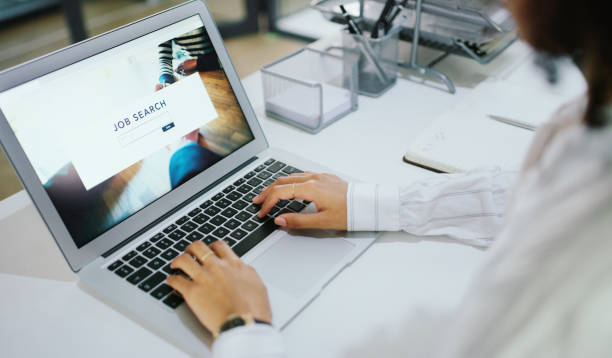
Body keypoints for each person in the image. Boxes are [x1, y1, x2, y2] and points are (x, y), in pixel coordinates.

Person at [166, 0, 612, 356]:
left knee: (185, 162)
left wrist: (244, 330)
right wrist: (369, 202)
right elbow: (525, 192)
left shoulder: (587, 273)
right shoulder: (591, 128)